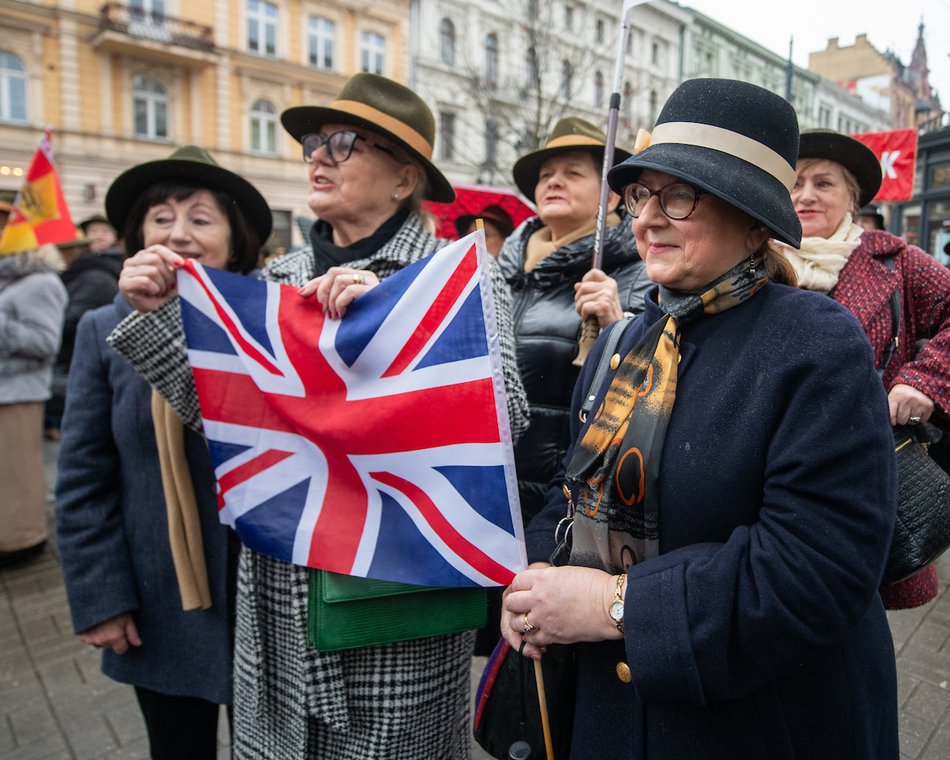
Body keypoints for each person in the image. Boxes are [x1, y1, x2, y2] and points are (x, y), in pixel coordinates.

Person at [107, 73, 529, 758]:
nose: (318, 158)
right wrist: (159, 316)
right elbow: (230, 428)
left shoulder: (457, 276)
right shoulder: (276, 276)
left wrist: (395, 323)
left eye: (343, 143)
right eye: (314, 143)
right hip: (279, 598)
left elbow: (504, 423)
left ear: (403, 178)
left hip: (395, 605)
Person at [502, 79, 899, 759]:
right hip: (612, 721)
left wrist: (613, 606)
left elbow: (816, 568)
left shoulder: (816, 343)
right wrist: (535, 578)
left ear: (754, 223)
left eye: (680, 195)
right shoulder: (624, 342)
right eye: (641, 194)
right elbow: (573, 490)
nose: (647, 220)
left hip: (761, 725)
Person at [55, 145, 271, 758]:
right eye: (161, 219)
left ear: (236, 240)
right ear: (138, 236)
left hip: (262, 595)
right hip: (160, 598)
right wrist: (101, 599)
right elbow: (83, 477)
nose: (179, 235)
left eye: (201, 219)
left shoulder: (267, 321)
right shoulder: (102, 328)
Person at [777, 127, 950, 610]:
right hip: (772, 479)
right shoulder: (755, 259)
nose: (806, 195)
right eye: (795, 183)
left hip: (865, 482)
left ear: (852, 198)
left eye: (823, 183)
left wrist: (925, 380)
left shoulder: (896, 261)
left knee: (854, 614)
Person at [503, 115, 651, 525]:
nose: (554, 181)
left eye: (573, 173)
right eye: (546, 174)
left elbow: (647, 392)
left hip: (562, 500)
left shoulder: (637, 273)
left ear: (613, 196)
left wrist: (617, 328)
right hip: (489, 488)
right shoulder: (500, 270)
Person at [0, 244, 67, 566]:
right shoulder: (10, 280)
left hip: (19, 394)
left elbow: (44, 342)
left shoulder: (41, 282)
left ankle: (22, 539)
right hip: (7, 390)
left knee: (16, 473)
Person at [45, 230, 126, 440]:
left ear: (72, 251)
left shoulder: (93, 277)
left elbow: (70, 321)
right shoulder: (82, 274)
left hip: (73, 361)